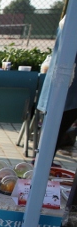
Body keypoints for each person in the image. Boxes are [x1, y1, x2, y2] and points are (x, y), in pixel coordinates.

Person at [36, 16, 77, 163]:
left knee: (55, 130)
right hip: (66, 89)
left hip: (64, 89)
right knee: (56, 129)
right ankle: (42, 163)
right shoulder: (71, 22)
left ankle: (43, 162)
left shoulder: (69, 20)